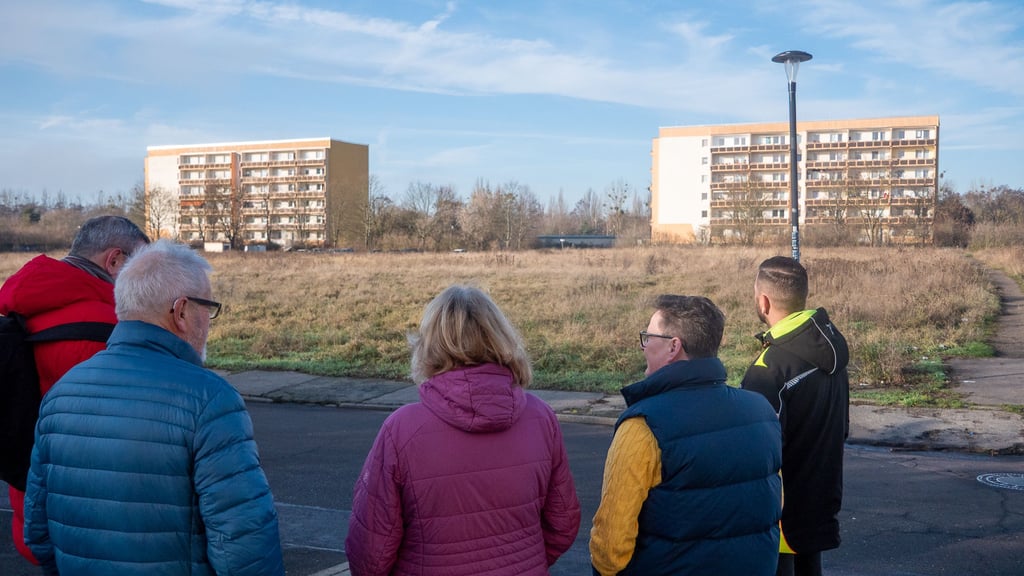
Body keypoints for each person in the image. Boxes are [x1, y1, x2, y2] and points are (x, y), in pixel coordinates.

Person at [22, 239, 285, 575]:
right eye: (209, 307)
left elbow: (39, 532)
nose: (209, 320)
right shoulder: (210, 401)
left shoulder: (61, 394)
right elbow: (245, 547)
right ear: (181, 311)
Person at [345, 284, 581, 576]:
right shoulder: (541, 418)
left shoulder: (402, 430)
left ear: (430, 345)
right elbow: (563, 523)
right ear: (501, 338)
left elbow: (370, 552)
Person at [590, 294, 782, 576]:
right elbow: (772, 509)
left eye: (648, 337)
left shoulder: (643, 427)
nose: (644, 347)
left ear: (673, 347)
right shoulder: (762, 412)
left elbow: (610, 550)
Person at [0, 214, 149, 564]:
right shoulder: (109, 328)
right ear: (114, 261)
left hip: (32, 508)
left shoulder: (24, 305)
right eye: (142, 268)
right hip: (99, 524)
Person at [741, 256, 850, 576]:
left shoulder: (771, 367)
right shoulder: (831, 349)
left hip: (780, 518)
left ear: (764, 301)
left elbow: (756, 453)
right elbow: (840, 429)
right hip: (819, 504)